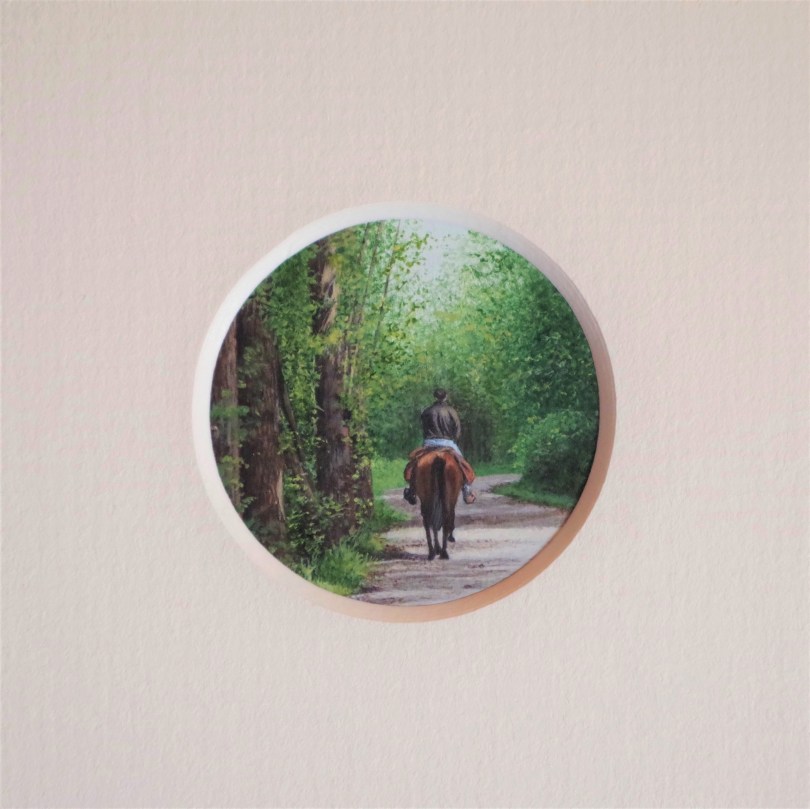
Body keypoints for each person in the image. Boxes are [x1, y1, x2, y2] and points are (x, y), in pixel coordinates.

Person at [403, 388, 476, 505]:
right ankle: (466, 491)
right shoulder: (451, 411)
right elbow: (457, 429)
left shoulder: (426, 411)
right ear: (446, 397)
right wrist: (454, 438)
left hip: (429, 443)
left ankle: (412, 490)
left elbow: (424, 428)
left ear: (434, 397)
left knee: (415, 463)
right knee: (462, 463)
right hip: (447, 442)